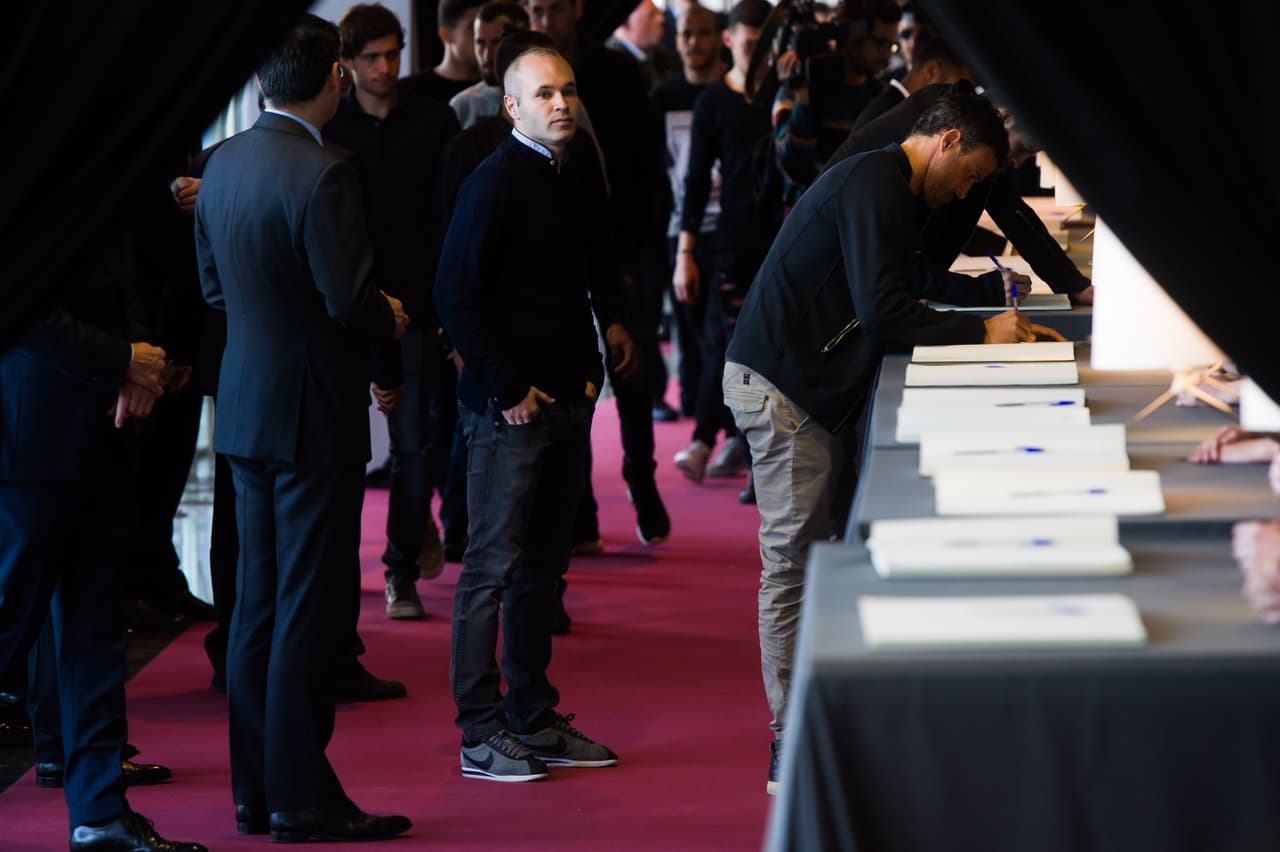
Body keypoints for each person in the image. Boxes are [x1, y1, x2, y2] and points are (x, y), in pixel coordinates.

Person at [723, 89, 1065, 795]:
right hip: (781, 384)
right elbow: (884, 315)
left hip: (809, 383)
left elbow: (910, 285)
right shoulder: (877, 181)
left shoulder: (897, 188)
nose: (968, 191)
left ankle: (816, 719)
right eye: (969, 174)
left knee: (818, 553)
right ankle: (789, 740)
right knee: (792, 563)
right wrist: (983, 331)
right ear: (944, 142)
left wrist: (1003, 313)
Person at [194, 15, 411, 841]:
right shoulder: (325, 174)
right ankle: (299, 795)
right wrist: (387, 319)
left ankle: (256, 791)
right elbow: (351, 303)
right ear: (335, 78)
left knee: (253, 605)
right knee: (305, 609)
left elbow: (215, 295)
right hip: (313, 413)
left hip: (244, 407)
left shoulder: (220, 166)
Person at [435, 46, 631, 782]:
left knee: (543, 568)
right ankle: (479, 732)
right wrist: (508, 388)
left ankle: (530, 714)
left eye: (569, 91)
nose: (561, 104)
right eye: (543, 93)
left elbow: (585, 268)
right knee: (489, 568)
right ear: (510, 106)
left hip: (566, 399)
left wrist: (592, 365)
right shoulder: (494, 181)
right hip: (505, 410)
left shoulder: (572, 168)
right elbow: (455, 295)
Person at [0, 253, 204, 849]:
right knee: (10, 623)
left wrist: (139, 365)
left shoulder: (95, 195)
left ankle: (100, 816)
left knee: (95, 636)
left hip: (103, 433)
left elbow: (125, 291)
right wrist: (122, 361)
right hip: (30, 440)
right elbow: (22, 310)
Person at [327, 2, 462, 621]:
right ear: (347, 65)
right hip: (339, 305)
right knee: (337, 445)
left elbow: (449, 222)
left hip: (410, 306)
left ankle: (399, 570)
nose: (385, 67)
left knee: (412, 444)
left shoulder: (435, 122)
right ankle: (332, 571)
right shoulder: (331, 129)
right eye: (372, 58)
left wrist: (440, 311)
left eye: (392, 54)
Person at [828, 81, 1095, 303]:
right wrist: (984, 292)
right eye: (1023, 147)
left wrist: (1072, 284)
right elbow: (901, 267)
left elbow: (1013, 213)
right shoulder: (937, 123)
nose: (1018, 162)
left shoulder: (972, 128)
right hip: (836, 284)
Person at [671, 0, 779, 487]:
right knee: (720, 341)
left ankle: (753, 445)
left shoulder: (784, 94)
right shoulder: (713, 100)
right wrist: (685, 253)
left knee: (773, 346)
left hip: (783, 236)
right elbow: (695, 179)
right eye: (750, 44)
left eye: (765, 46)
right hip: (729, 237)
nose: (757, 54)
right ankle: (705, 436)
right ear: (731, 40)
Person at [651, 3, 726, 418]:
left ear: (719, 39)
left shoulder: (732, 93)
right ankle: (695, 402)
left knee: (720, 329)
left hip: (730, 228)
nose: (693, 42)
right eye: (685, 34)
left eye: (702, 33)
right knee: (689, 323)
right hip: (678, 226)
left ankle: (721, 419)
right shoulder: (663, 97)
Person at [771, 0, 902, 206]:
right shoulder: (800, 90)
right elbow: (794, 167)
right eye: (880, 43)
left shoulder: (882, 97)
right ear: (852, 34)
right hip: (808, 221)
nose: (887, 54)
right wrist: (802, 101)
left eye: (892, 45)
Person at [853, 31, 974, 131]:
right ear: (931, 71)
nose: (959, 99)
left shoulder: (895, 109)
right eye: (958, 89)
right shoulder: (892, 116)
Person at [449, 1, 530, 129]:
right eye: (480, 43)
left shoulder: (541, 101)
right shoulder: (462, 106)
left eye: (497, 42)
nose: (487, 55)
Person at [404, 0, 484, 102]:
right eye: (473, 29)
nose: (482, 36)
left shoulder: (498, 87)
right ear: (445, 35)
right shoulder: (411, 92)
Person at [608, 0, 681, 91]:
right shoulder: (610, 68)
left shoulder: (667, 57)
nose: (662, 18)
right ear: (624, 24)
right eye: (651, 15)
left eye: (658, 12)